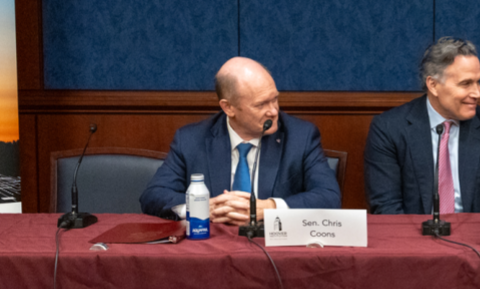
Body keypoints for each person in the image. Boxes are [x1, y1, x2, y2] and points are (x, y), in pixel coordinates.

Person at [140, 57, 340, 223]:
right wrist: (201, 207)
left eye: (275, 99)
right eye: (261, 105)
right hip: (212, 246)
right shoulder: (191, 140)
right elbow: (153, 195)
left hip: (272, 247)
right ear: (228, 108)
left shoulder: (301, 136)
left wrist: (270, 207)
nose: (273, 111)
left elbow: (329, 196)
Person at [365, 37, 480, 214]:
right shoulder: (389, 128)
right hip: (412, 230)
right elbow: (387, 207)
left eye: (478, 82)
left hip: (474, 231)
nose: (477, 93)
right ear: (433, 85)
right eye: (466, 83)